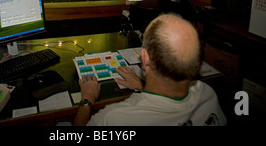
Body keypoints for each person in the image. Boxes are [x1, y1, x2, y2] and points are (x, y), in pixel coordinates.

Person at [73, 13, 227, 126]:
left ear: (145, 57)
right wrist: (142, 86)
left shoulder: (113, 118)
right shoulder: (208, 95)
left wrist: (87, 99)